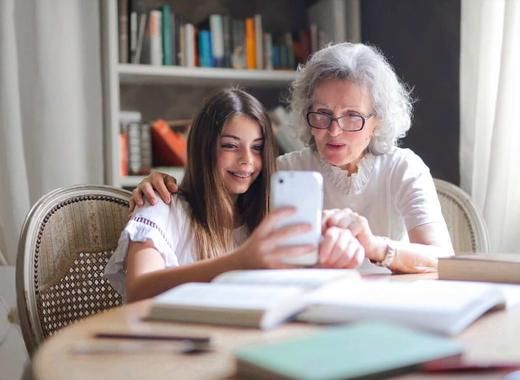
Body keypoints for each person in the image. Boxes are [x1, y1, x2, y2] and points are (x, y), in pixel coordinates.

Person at [129, 43, 454, 274]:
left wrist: (375, 247)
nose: (334, 131)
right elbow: (216, 194)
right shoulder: (283, 172)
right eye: (322, 114)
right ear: (305, 112)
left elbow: (444, 259)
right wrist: (160, 183)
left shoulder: (403, 167)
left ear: (378, 120)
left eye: (352, 117)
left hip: (391, 308)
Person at [105, 88, 364, 302]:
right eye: (230, 146)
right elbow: (139, 290)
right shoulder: (160, 206)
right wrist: (240, 261)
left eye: (257, 148)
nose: (246, 161)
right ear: (203, 148)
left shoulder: (267, 217)